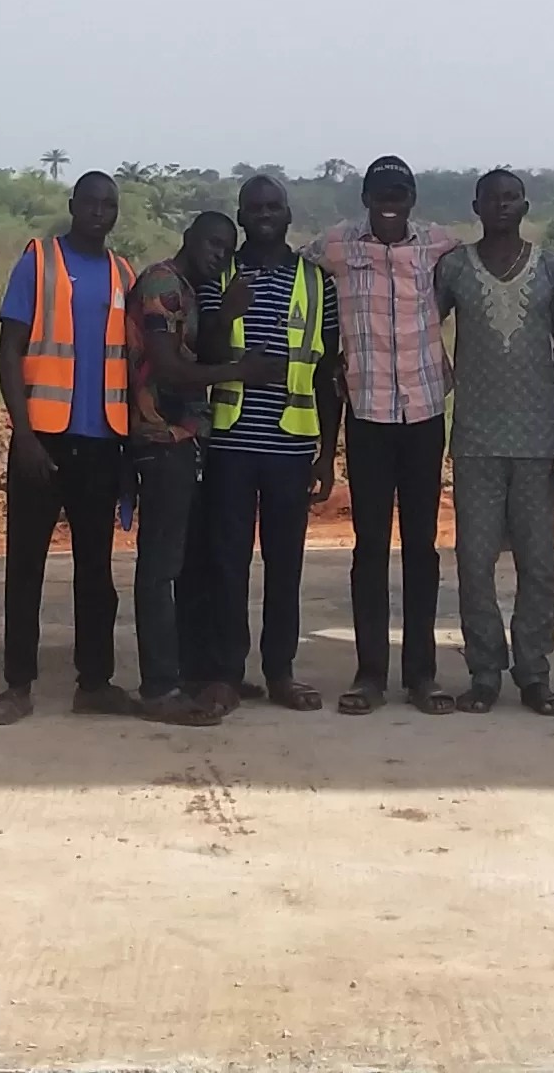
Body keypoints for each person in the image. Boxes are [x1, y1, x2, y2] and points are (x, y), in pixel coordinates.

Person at [432, 168, 554, 715]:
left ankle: (535, 672)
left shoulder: (553, 269)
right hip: (474, 438)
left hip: (538, 437)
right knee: (474, 562)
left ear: (525, 205)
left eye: (511, 197)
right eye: (492, 197)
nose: (502, 205)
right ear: (476, 205)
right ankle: (484, 673)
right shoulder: (453, 268)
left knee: (538, 564)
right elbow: (422, 329)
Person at [0, 171, 137, 724]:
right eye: (91, 202)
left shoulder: (124, 275)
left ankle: (94, 683)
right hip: (42, 441)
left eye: (109, 204)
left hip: (102, 444)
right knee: (25, 567)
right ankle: (17, 686)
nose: (100, 212)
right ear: (73, 206)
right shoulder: (39, 261)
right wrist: (23, 434)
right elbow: (9, 350)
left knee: (95, 571)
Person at [309, 154, 450, 715]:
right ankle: (369, 675)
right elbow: (287, 265)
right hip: (365, 416)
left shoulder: (440, 244)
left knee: (422, 550)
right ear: (366, 198)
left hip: (423, 415)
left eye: (400, 192)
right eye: (380, 193)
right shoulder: (336, 246)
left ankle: (422, 676)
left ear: (412, 197)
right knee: (369, 550)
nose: (390, 202)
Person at [197, 171, 340, 710]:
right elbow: (205, 353)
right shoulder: (221, 277)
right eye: (253, 206)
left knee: (286, 565)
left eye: (272, 205)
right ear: (241, 216)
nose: (263, 213)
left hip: (291, 446)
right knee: (227, 562)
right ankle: (225, 675)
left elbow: (327, 372)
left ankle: (280, 672)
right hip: (231, 444)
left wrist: (327, 453)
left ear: (287, 214)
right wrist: (228, 311)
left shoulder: (316, 281)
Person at [128, 209, 257, 726]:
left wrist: (225, 317)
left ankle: (194, 672)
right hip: (160, 439)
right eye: (212, 244)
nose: (219, 255)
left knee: (191, 562)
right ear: (188, 238)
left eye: (227, 249)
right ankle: (159, 688)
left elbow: (199, 349)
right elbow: (170, 366)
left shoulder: (196, 291)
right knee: (160, 568)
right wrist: (241, 371)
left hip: (189, 439)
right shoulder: (161, 283)